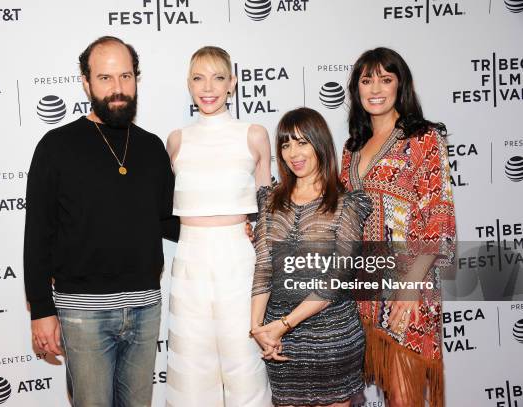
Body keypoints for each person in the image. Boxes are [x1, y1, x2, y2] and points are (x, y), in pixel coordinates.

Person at [24, 36, 178, 407]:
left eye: (126, 76)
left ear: (137, 78)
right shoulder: (56, 146)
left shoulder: (152, 147)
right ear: (86, 81)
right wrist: (42, 310)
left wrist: (231, 226)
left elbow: (169, 222)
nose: (118, 89)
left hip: (145, 308)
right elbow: (37, 234)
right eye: (106, 78)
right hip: (82, 313)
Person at [340, 47, 456, 407]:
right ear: (356, 89)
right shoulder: (351, 149)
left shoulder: (424, 139)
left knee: (406, 398)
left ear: (400, 85)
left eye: (385, 79)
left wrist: (408, 288)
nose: (375, 88)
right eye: (366, 79)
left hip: (409, 284)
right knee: (390, 394)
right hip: (363, 290)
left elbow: (439, 215)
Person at [165, 45, 272, 406]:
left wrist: (258, 234)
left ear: (233, 84)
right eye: (198, 78)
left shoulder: (253, 134)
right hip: (190, 257)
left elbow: (267, 206)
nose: (207, 87)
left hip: (237, 256)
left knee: (244, 360)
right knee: (191, 364)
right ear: (188, 84)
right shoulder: (176, 140)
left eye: (218, 77)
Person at [250, 107, 371, 407]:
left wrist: (284, 324)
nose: (293, 152)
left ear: (320, 145)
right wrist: (257, 328)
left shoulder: (347, 205)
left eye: (302, 142)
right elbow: (264, 268)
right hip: (280, 343)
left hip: (332, 339)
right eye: (286, 144)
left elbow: (337, 280)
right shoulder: (270, 201)